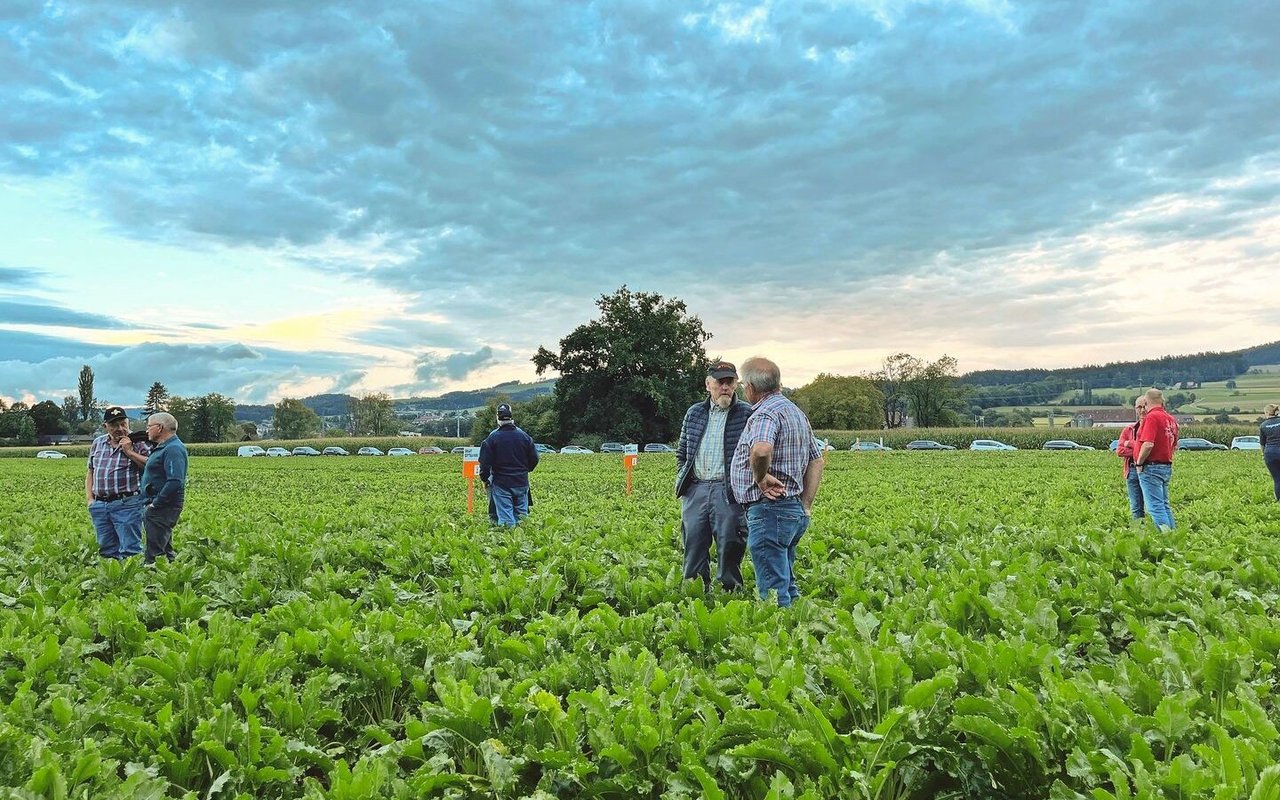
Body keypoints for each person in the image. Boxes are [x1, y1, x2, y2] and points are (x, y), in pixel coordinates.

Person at [729, 357, 824, 607]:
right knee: (787, 582)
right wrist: (805, 505)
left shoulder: (765, 413)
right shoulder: (795, 412)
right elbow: (817, 461)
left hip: (769, 511)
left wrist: (760, 479)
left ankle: (778, 638)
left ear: (750, 387)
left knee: (773, 590)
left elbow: (761, 450)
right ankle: (796, 631)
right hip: (791, 510)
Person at [674, 360, 751, 590]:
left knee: (731, 545)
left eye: (730, 382)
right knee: (694, 545)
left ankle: (731, 594)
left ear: (736, 383)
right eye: (720, 382)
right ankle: (695, 594)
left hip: (728, 491)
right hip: (696, 489)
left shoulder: (747, 413)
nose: (725, 387)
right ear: (708, 384)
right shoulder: (694, 412)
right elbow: (682, 452)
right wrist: (684, 479)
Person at [85, 405, 151, 559]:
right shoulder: (98, 443)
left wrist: (129, 452)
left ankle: (132, 581)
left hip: (127, 503)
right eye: (114, 425)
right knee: (106, 550)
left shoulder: (139, 442)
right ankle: (112, 581)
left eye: (123, 424)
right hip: (100, 505)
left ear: (128, 423)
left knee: (131, 550)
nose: (120, 429)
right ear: (105, 426)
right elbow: (91, 471)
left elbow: (151, 467)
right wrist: (90, 499)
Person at [479, 403, 539, 526]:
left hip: (502, 483)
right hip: (521, 481)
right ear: (512, 417)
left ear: (498, 418)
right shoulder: (525, 437)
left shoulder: (492, 438)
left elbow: (484, 464)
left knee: (506, 518)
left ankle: (509, 541)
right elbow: (534, 458)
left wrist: (485, 479)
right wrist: (525, 470)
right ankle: (524, 540)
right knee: (522, 517)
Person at [140, 412, 188, 563]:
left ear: (159, 428)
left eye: (149, 426)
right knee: (164, 547)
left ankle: (154, 580)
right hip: (159, 505)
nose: (147, 430)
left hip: (163, 506)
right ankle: (171, 575)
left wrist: (156, 503)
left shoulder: (173, 449)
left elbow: (175, 481)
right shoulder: (165, 447)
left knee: (154, 552)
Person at [1133, 388, 1179, 530]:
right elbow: (1174, 444)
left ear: (1146, 402)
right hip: (1166, 466)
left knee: (1155, 508)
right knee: (1164, 505)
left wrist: (1139, 462)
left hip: (1151, 467)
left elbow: (1148, 444)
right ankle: (1173, 535)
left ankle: (1166, 539)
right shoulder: (1170, 419)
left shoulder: (1152, 418)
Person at [1115, 395, 1148, 520]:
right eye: (1139, 407)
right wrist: (1140, 448)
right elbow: (1120, 451)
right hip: (1132, 470)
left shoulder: (1153, 427)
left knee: (1153, 506)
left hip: (1148, 469)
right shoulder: (1128, 430)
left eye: (1145, 406)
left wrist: (1130, 444)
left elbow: (1151, 447)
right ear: (1135, 409)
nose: (1142, 410)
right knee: (1136, 507)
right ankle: (1139, 534)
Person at [1260, 403, 1280, 501]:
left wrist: (1263, 455)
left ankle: (1278, 500)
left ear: (1267, 412)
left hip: (1270, 454)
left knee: (1277, 479)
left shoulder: (1263, 425)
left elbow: (1262, 443)